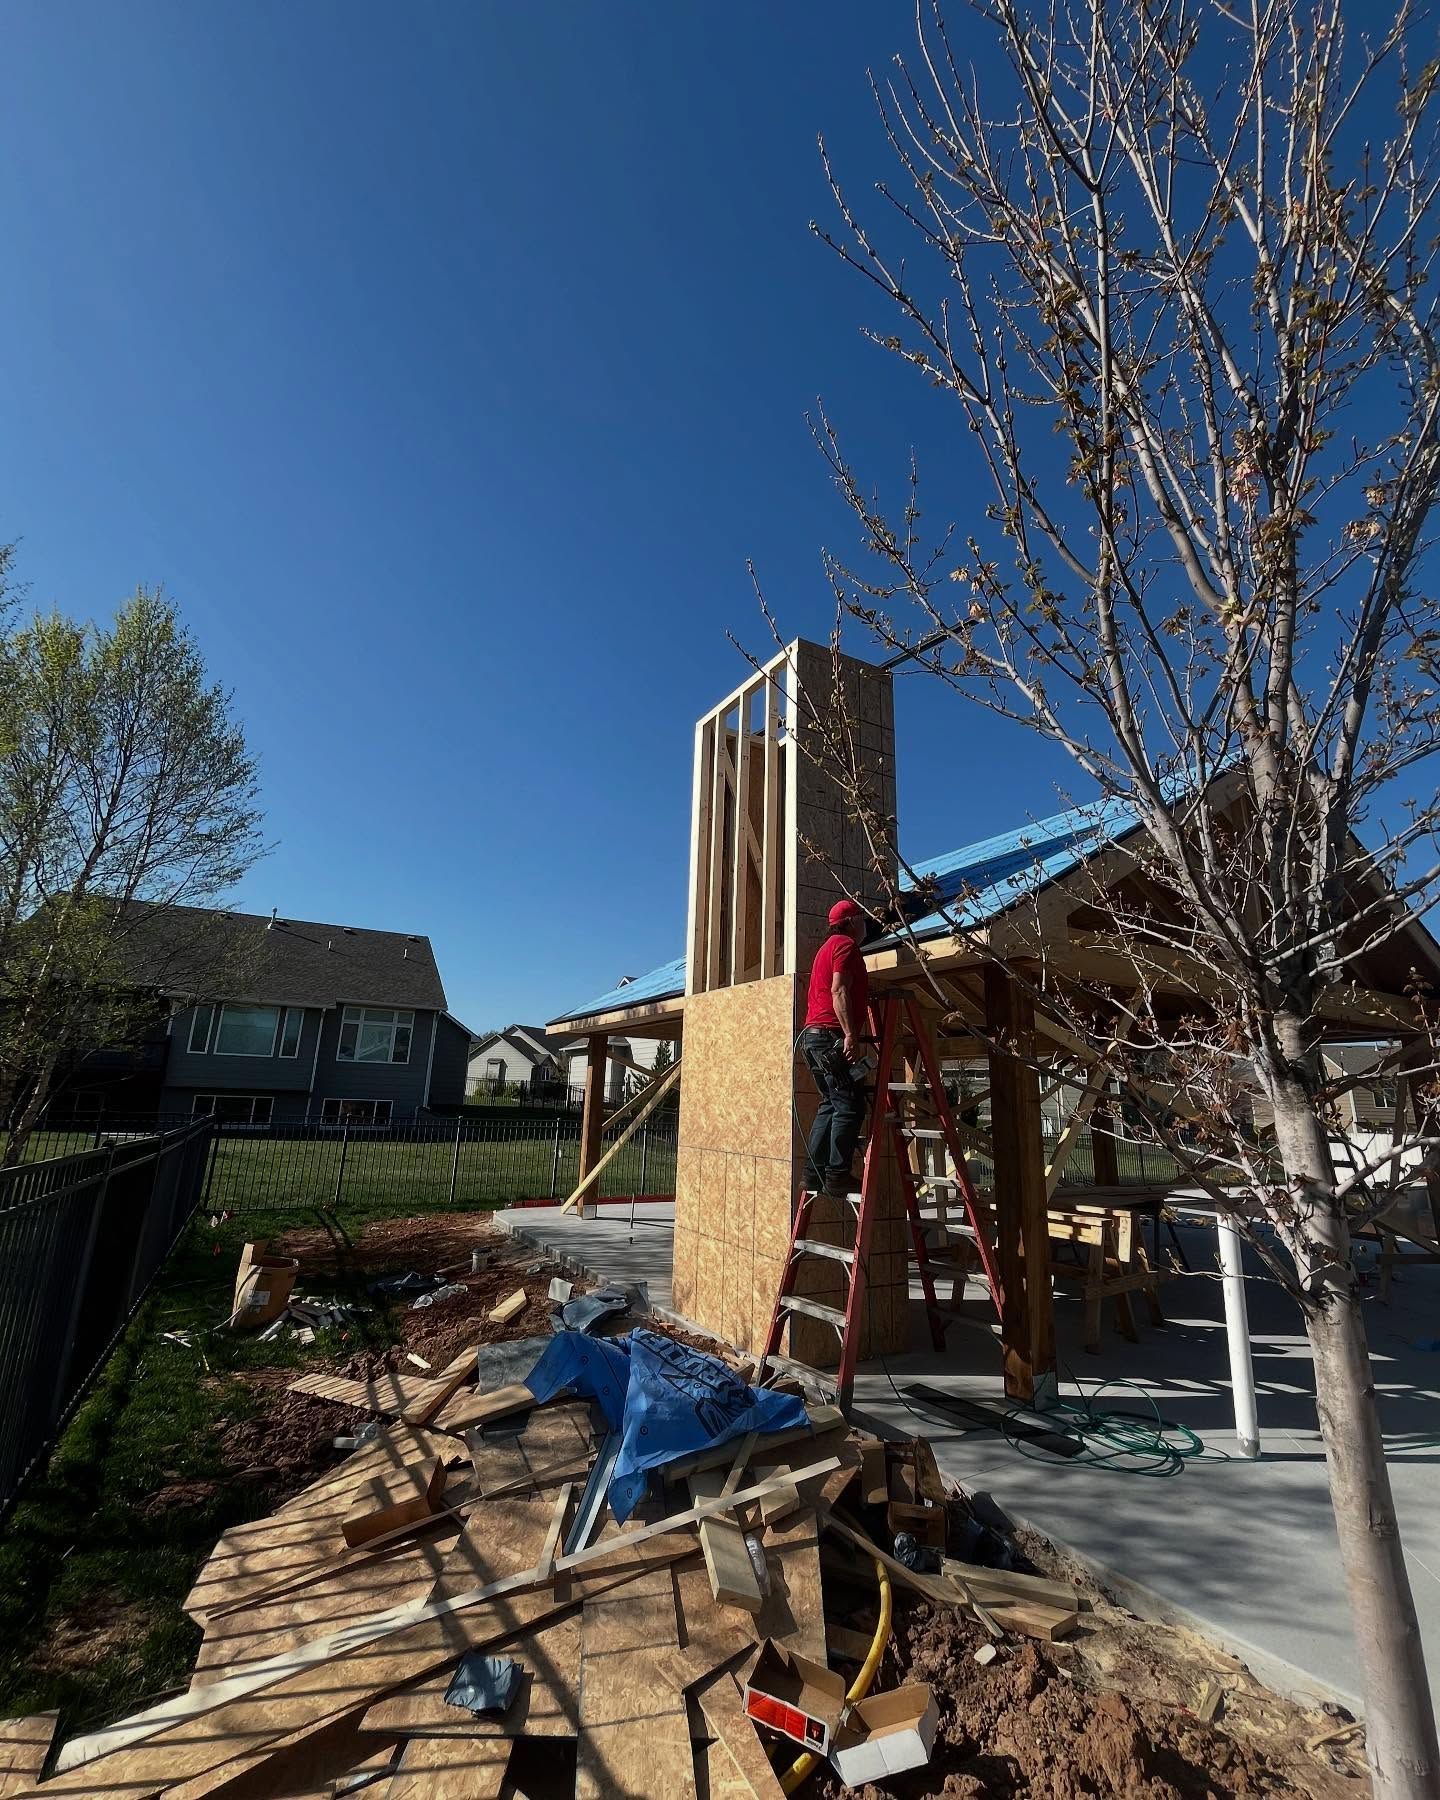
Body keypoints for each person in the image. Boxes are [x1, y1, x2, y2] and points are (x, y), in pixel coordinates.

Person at [799, 897, 871, 1198]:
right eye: (862, 918)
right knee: (850, 1104)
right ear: (852, 921)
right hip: (830, 1036)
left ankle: (812, 1175)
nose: (866, 924)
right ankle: (837, 1175)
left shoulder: (825, 949)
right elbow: (838, 988)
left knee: (830, 1103)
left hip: (813, 1038)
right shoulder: (845, 945)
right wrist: (850, 1035)